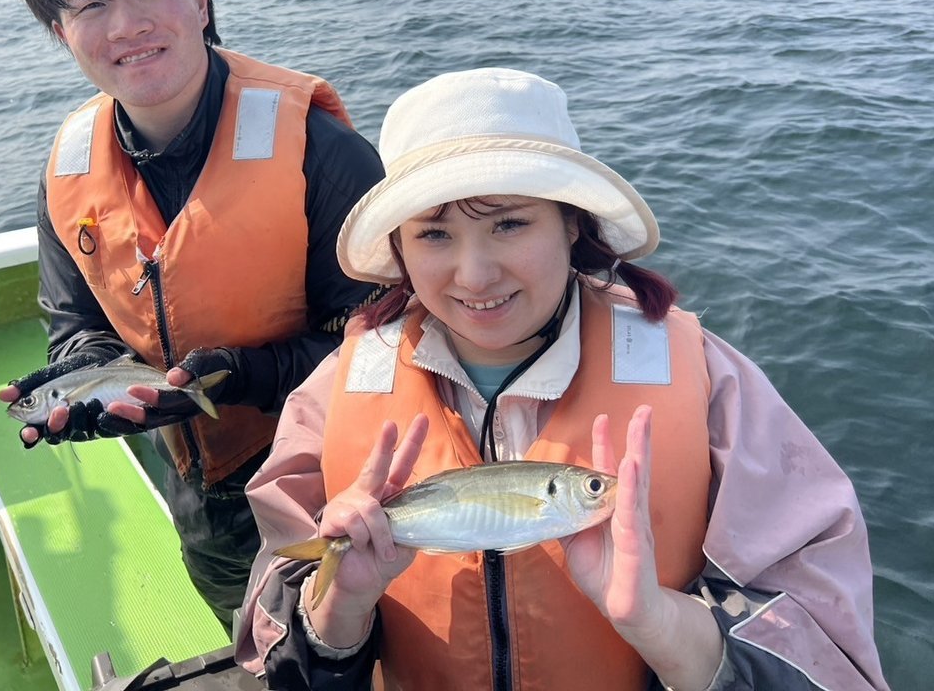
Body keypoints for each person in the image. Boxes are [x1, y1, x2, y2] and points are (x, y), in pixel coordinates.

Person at [237, 68, 889, 690]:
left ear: (571, 222)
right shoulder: (334, 392)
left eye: (509, 223)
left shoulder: (707, 381)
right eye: (434, 234)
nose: (475, 275)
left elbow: (822, 641)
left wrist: (661, 623)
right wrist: (340, 607)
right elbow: (275, 640)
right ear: (399, 249)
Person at [0, 0, 385, 629]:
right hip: (201, 494)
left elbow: (387, 345)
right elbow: (76, 323)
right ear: (61, 32)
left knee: (358, 643)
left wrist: (244, 374)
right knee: (254, 639)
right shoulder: (68, 167)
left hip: (340, 479)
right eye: (90, 3)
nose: (127, 25)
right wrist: (91, 381)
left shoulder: (321, 151)